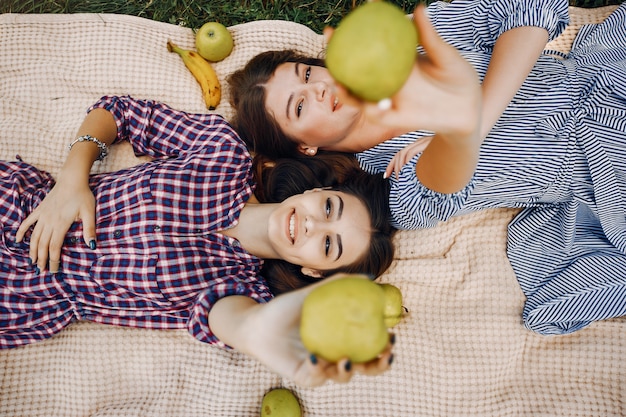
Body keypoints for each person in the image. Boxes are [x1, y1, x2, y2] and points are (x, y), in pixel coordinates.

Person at [228, 1, 626, 335]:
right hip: (608, 172)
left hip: (605, 74)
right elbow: (441, 180)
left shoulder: (412, 48)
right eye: (298, 107)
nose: (316, 89)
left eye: (308, 73)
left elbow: (527, 8)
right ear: (305, 147)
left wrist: (477, 116)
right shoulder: (389, 189)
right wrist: (453, 138)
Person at [1, 95, 396, 387]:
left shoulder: (245, 292)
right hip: (19, 204)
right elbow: (120, 114)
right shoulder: (223, 153)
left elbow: (231, 320)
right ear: (316, 191)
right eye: (328, 208)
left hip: (21, 296)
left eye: (328, 246)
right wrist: (73, 178)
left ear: (314, 270)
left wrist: (260, 333)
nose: (313, 226)